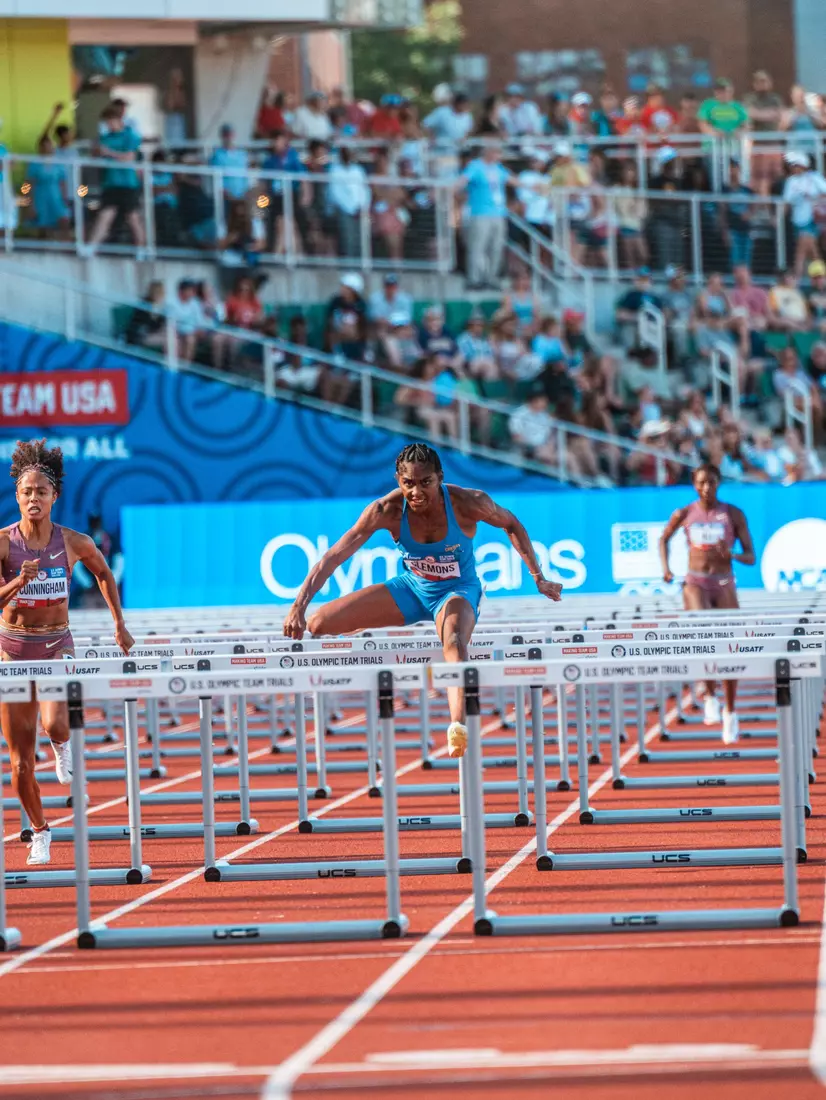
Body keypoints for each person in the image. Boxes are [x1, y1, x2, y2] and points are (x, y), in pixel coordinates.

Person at [282, 442, 562, 757]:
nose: (417, 492)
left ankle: (458, 726)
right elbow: (334, 556)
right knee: (319, 624)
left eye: (425, 482)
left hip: (456, 591)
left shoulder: (468, 503)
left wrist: (538, 577)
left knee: (454, 641)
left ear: (440, 477)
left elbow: (512, 524)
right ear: (398, 481)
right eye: (408, 484)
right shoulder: (385, 510)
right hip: (412, 589)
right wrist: (299, 606)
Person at [0, 440, 133, 866]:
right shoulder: (3, 544)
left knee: (57, 721)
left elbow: (104, 574)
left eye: (41, 491)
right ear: (17, 497)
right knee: (20, 764)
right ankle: (40, 831)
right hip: (12, 652)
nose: (33, 498)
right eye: (26, 492)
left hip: (58, 644)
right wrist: (17, 584)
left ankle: (62, 743)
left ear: (54, 495)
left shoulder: (73, 541)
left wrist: (119, 624)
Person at [659, 463, 756, 744]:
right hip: (696, 582)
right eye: (701, 483)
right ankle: (710, 694)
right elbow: (663, 539)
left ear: (719, 482)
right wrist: (666, 569)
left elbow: (751, 556)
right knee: (702, 634)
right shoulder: (685, 513)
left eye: (711, 483)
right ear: (694, 483)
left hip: (724, 582)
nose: (706, 488)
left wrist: (732, 555)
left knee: (729, 647)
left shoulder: (733, 514)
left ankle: (730, 711)